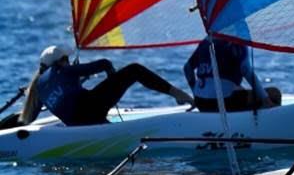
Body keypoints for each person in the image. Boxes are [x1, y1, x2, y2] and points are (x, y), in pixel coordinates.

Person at [19, 45, 193, 127]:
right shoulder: (63, 71)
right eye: (67, 60)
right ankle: (178, 94)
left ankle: (105, 126)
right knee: (134, 70)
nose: (69, 62)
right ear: (60, 62)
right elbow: (104, 63)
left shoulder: (38, 89)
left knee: (88, 105)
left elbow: (31, 119)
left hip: (78, 123)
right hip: (92, 109)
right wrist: (113, 78)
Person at [184, 37, 281, 112]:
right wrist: (265, 99)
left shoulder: (206, 41)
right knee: (274, 94)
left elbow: (187, 68)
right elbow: (245, 69)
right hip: (226, 101)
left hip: (201, 102)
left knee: (239, 89)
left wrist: (196, 94)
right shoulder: (236, 39)